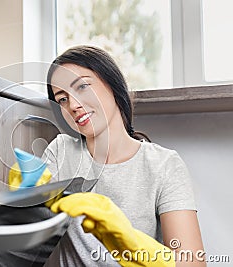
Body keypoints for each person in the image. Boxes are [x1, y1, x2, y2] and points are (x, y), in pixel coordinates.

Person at [41, 45, 205, 266]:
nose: (73, 105)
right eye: (62, 99)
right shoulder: (60, 152)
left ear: (112, 83)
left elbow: (192, 262)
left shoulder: (163, 165)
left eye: (82, 86)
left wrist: (130, 242)